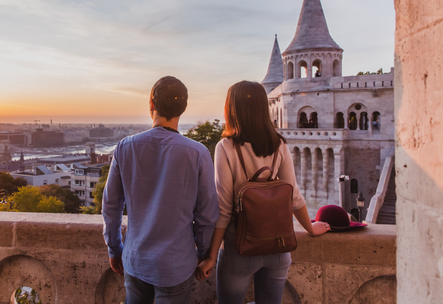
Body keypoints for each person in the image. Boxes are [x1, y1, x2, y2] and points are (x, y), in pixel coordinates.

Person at [196, 81, 329, 303]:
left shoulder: (226, 147)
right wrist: (310, 228)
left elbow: (224, 208)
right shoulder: (279, 144)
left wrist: (211, 256)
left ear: (232, 109)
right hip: (278, 247)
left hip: (239, 248)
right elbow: (293, 196)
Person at [102, 76, 219, 304]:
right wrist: (204, 254)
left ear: (151, 105)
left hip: (135, 259)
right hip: (176, 264)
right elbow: (207, 215)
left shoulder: (125, 147)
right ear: (183, 109)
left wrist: (114, 248)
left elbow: (111, 206)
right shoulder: (198, 153)